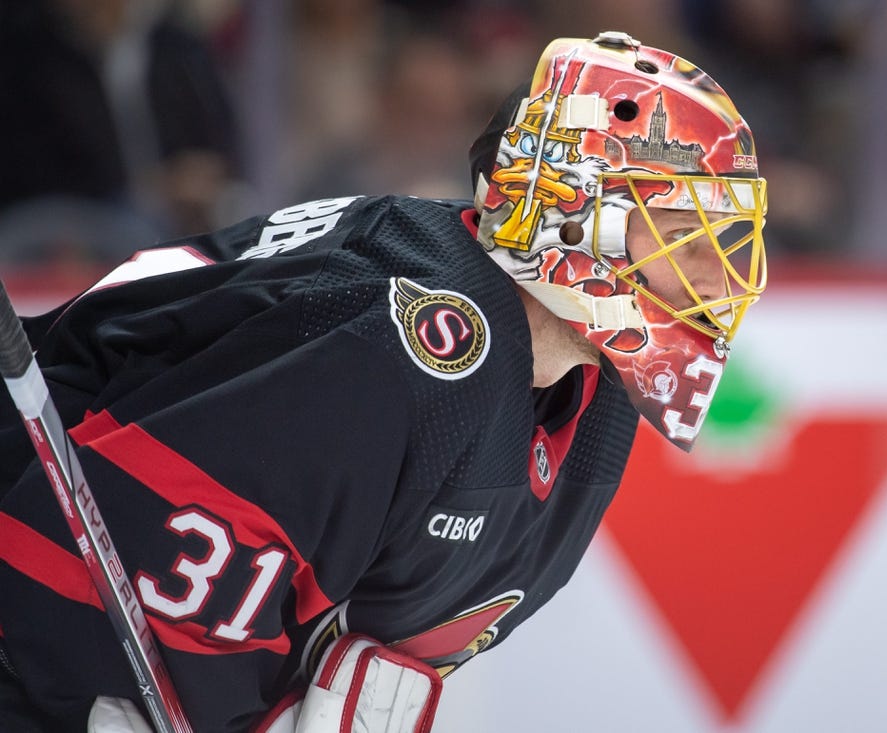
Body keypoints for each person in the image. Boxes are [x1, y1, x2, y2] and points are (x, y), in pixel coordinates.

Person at [0, 31, 767, 732]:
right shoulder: (416, 342)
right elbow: (65, 572)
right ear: (572, 205)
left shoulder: (595, 405)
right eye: (682, 233)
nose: (716, 273)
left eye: (726, 241)